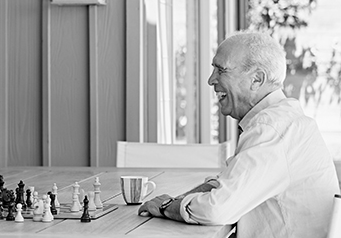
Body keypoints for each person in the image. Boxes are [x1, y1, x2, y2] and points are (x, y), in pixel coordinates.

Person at [138, 30, 340, 238]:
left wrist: (167, 206)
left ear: (256, 79)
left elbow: (217, 209)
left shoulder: (271, 129)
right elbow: (232, 183)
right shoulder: (284, 120)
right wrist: (183, 200)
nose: (211, 80)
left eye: (221, 70)